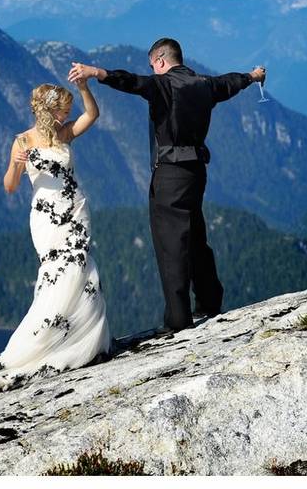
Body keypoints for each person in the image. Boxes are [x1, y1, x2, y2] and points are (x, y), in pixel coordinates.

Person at [68, 37, 265, 335]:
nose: (152, 71)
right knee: (196, 234)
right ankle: (210, 301)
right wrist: (253, 76)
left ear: (160, 60)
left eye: (152, 66)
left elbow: (132, 83)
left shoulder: (163, 85)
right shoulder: (205, 84)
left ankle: (178, 320)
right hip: (197, 171)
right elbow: (231, 82)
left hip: (170, 174)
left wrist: (97, 72)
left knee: (171, 244)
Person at [0, 78, 111, 396]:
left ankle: (85, 340)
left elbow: (92, 114)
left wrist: (83, 87)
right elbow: (10, 186)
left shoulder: (64, 135)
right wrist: (14, 164)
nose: (67, 116)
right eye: (63, 111)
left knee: (82, 269)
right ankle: (46, 343)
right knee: (55, 275)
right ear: (48, 111)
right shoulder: (22, 141)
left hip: (75, 210)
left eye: (67, 111)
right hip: (47, 218)